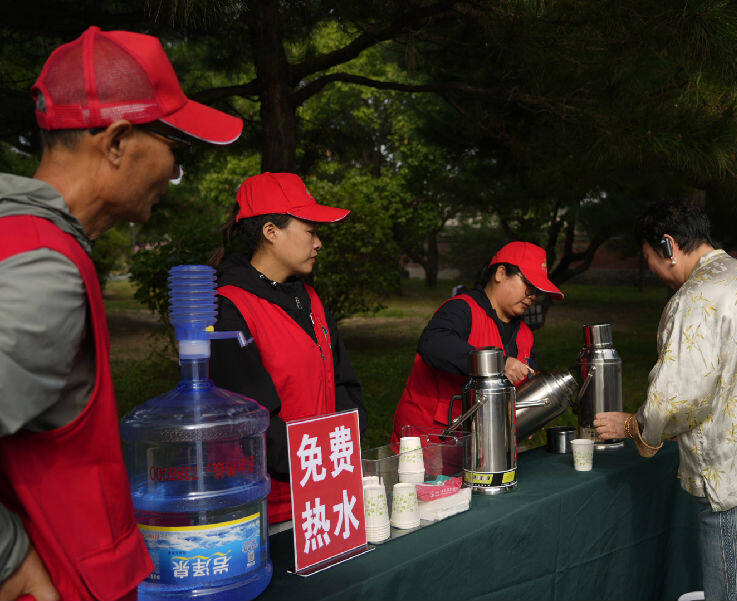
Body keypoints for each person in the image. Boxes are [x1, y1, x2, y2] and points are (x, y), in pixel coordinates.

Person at [0, 26, 243, 601]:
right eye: (174, 154)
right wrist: (9, 558)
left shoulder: (19, 238)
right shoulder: (44, 272)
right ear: (116, 142)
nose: (173, 177)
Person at [593, 198, 737, 601]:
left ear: (668, 246)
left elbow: (672, 401)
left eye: (648, 258)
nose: (652, 270)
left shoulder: (696, 298)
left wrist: (633, 426)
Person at [209, 172, 366, 526]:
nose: (319, 243)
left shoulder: (309, 298)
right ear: (271, 232)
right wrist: (318, 461)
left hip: (328, 491)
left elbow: (343, 383)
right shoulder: (228, 309)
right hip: (271, 507)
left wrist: (343, 448)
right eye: (310, 231)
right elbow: (249, 420)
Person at [392, 241, 563, 442]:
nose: (533, 296)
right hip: (429, 441)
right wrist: (497, 364)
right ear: (500, 273)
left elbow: (522, 393)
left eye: (538, 292)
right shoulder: (462, 309)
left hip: (484, 447)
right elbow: (432, 343)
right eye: (528, 286)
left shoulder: (526, 336)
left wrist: (529, 415)